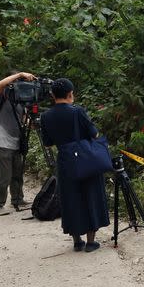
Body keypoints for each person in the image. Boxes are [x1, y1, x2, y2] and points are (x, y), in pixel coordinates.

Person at [40, 79, 109, 252]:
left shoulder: (45, 116)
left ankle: (77, 241)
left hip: (64, 161)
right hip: (85, 159)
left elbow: (48, 143)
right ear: (70, 94)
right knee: (90, 195)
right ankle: (91, 242)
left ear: (52, 95)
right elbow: (95, 134)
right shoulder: (78, 111)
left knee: (70, 198)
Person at [0, 71, 35, 216]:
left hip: (15, 142)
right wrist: (20, 74)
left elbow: (22, 122)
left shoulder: (21, 102)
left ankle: (17, 199)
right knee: (4, 175)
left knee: (17, 173)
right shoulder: (1, 97)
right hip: (1, 141)